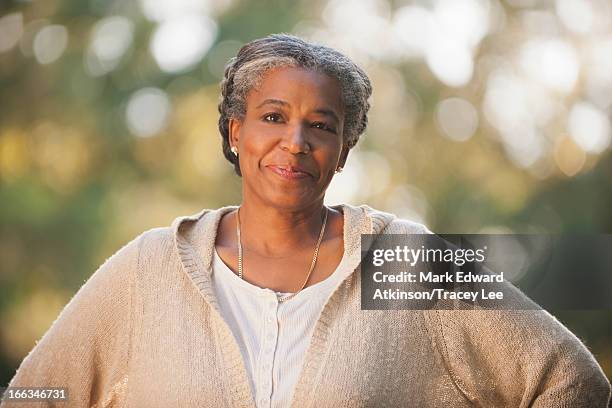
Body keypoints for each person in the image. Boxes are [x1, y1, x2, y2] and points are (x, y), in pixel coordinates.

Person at [2, 34, 610, 408]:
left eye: (321, 125)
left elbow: (570, 381)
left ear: (344, 150)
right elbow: (35, 396)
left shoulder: (404, 260)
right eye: (272, 117)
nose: (295, 142)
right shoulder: (149, 269)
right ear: (236, 132)